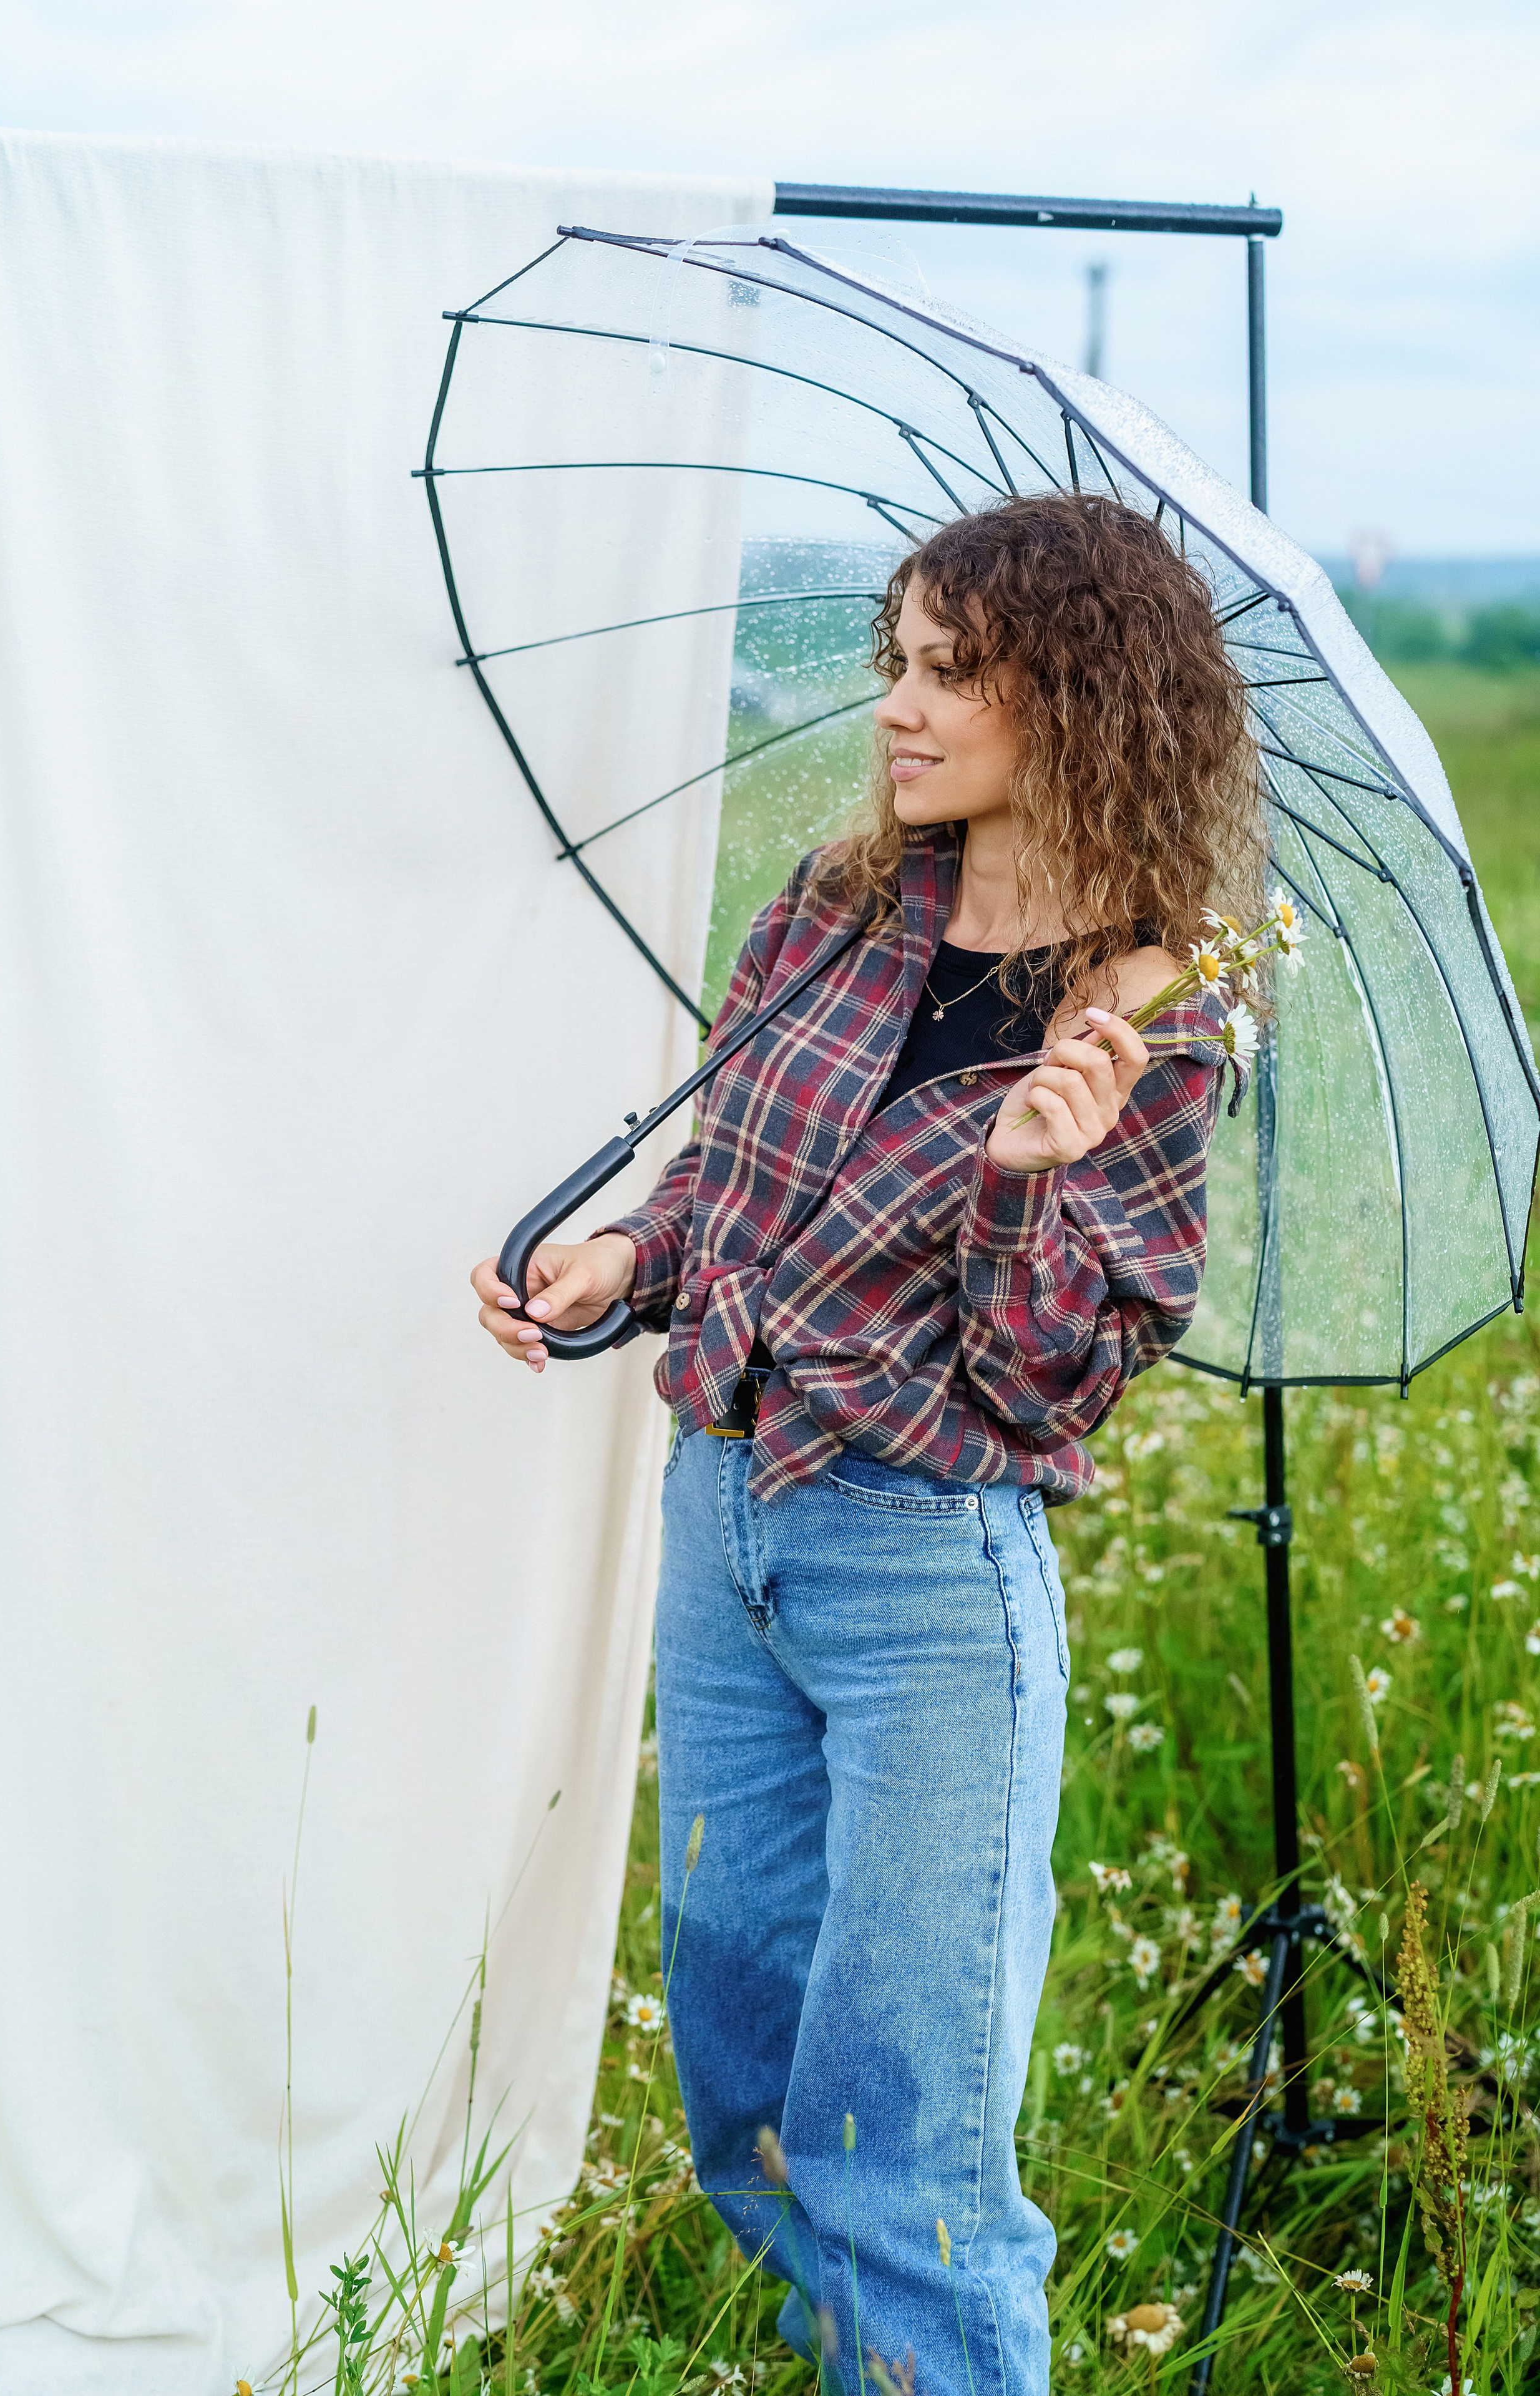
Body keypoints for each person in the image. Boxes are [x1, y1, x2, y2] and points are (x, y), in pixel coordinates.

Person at [472, 494, 1266, 2396]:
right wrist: (617, 1264)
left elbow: (1047, 1386)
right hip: (728, 1522)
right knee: (744, 2070)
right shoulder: (830, 915)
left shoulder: (1151, 1024)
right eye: (892, 663)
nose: (896, 709)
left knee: (901, 2132)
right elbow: (727, 1194)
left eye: (946, 671)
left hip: (926, 1566)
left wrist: (1022, 1184)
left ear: (1073, 697)